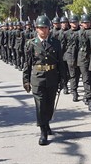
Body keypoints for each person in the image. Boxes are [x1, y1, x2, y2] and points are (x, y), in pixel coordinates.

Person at [23, 15, 67, 146]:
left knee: (49, 105)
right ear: (36, 29)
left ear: (49, 28)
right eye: (40, 28)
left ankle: (46, 122)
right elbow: (27, 64)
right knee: (40, 105)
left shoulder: (56, 43)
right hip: (37, 78)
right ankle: (43, 131)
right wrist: (26, 80)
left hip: (52, 77)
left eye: (45, 27)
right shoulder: (31, 44)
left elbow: (61, 63)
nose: (43, 30)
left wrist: (63, 79)